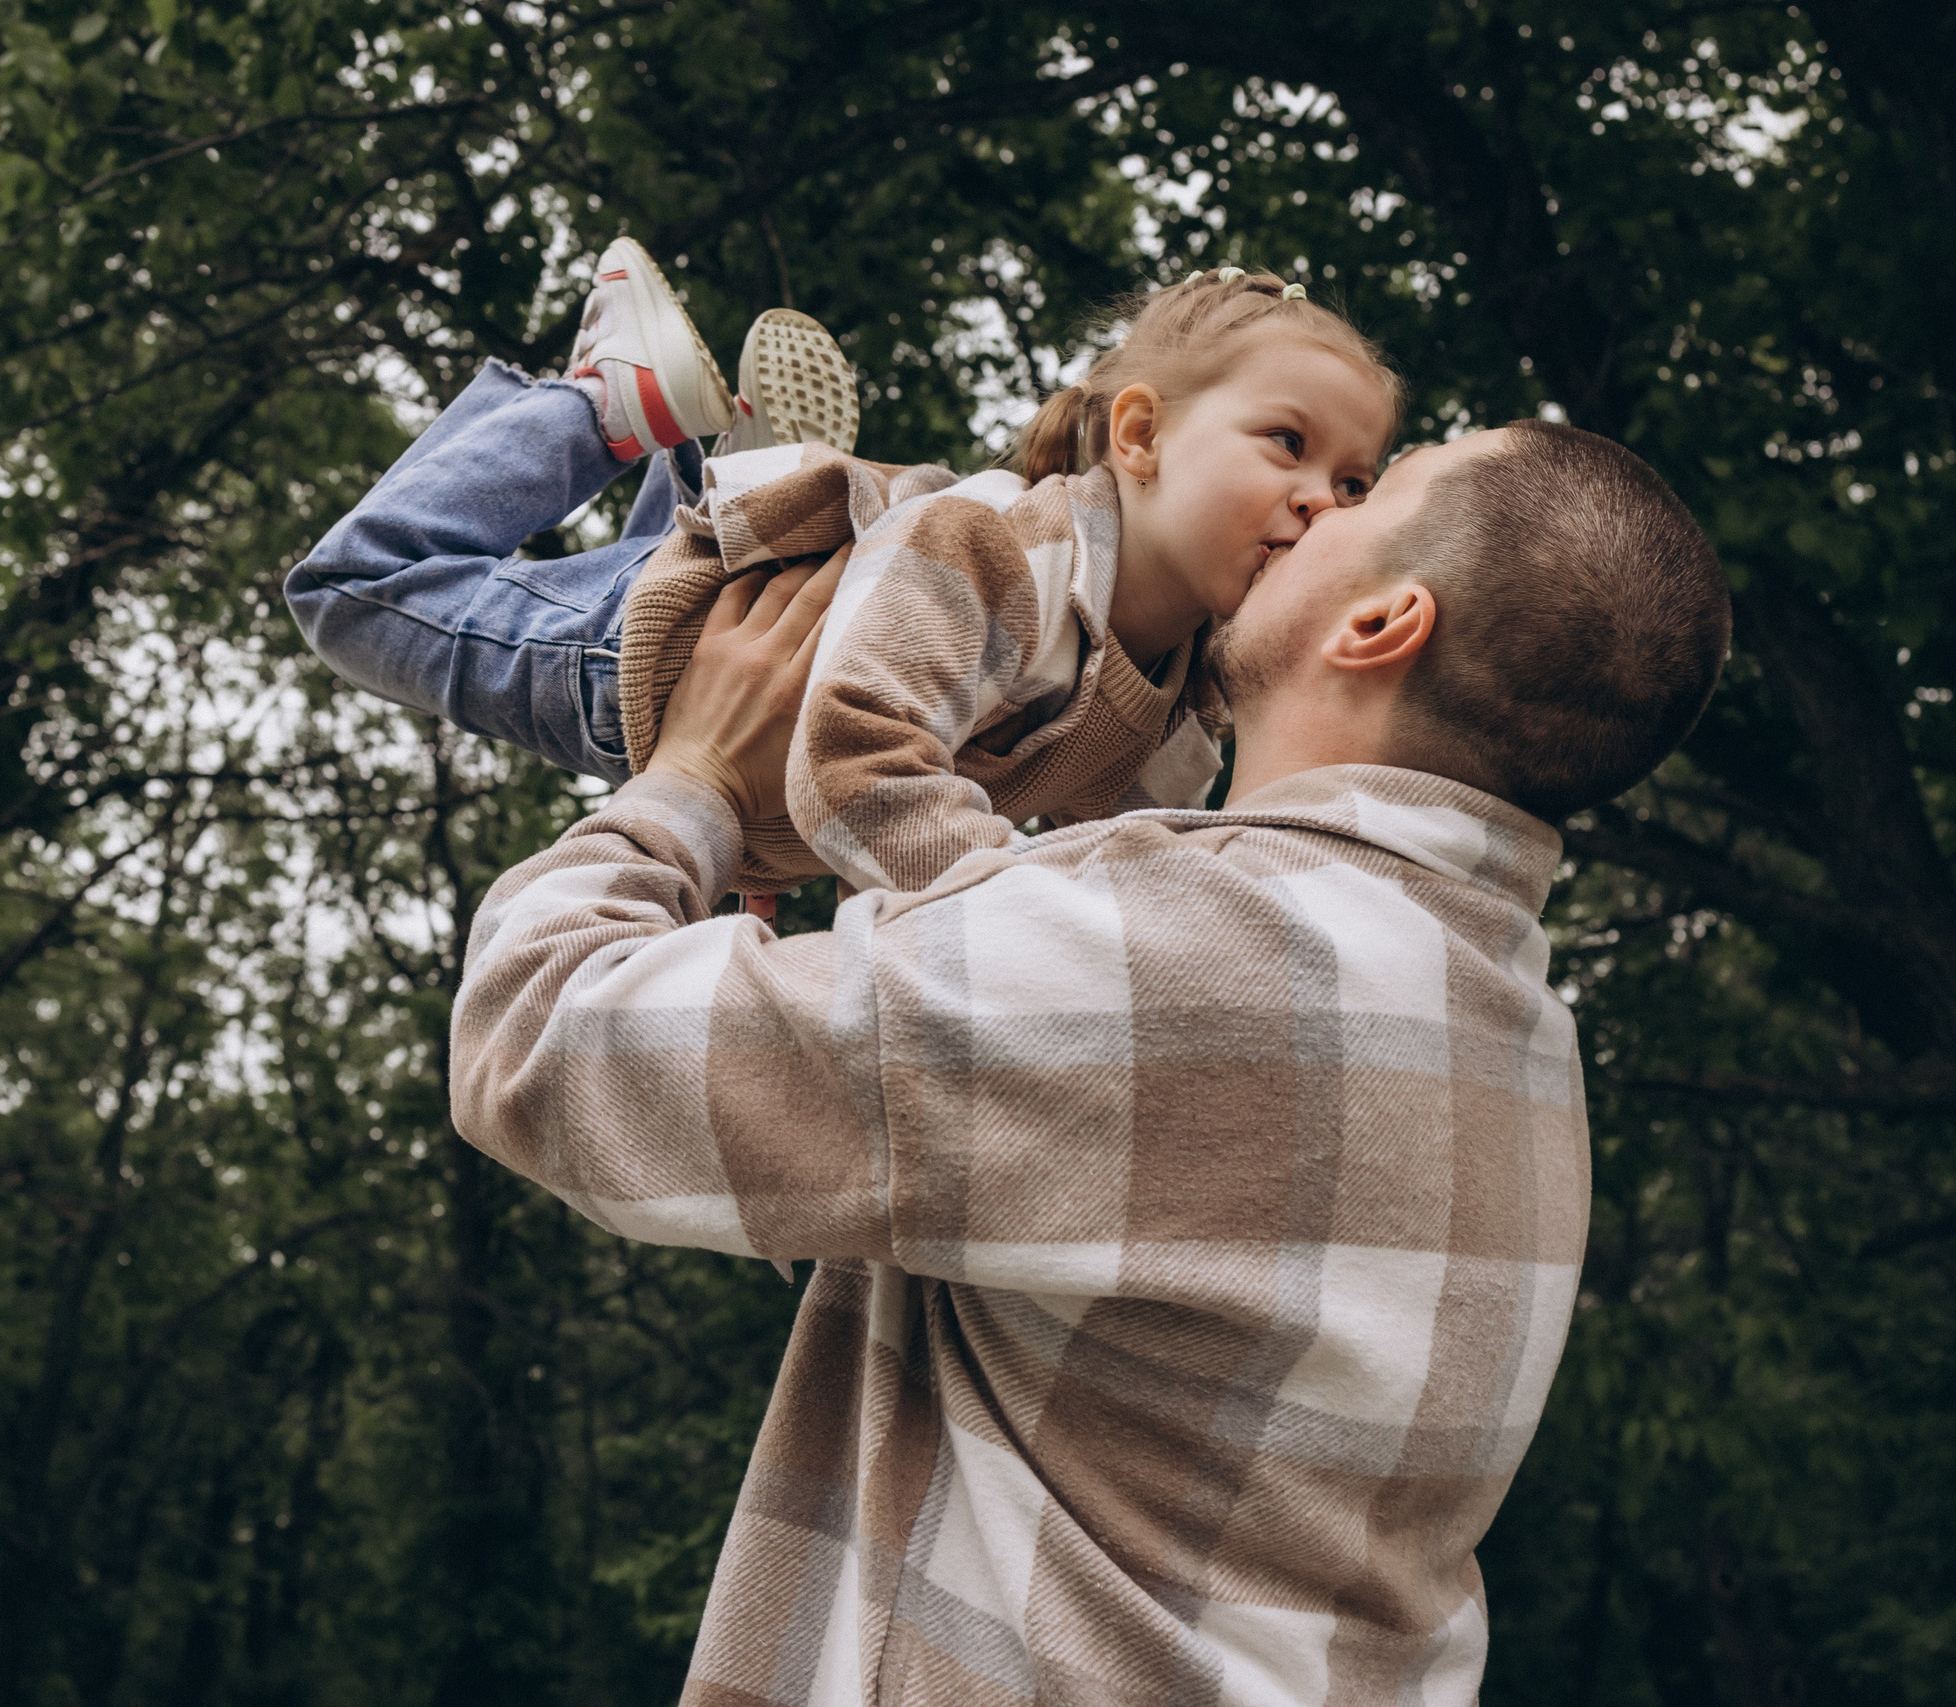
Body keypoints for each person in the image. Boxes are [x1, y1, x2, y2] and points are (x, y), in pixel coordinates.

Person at [444, 418, 1731, 1704]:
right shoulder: (1522, 1045)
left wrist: (695, 782)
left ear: (1383, 623)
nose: (1305, 512)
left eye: (1364, 494)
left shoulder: (1183, 954)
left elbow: (538, 1035)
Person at [284, 242, 1400, 898]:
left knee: (729, 547)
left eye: (1358, 485)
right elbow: (857, 756)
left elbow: (1111, 882)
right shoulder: (1007, 557)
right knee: (356, 590)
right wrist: (1005, 922)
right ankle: (607, 407)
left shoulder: (1189, 711)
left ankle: (736, 475)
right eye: (1288, 444)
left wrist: (748, 861)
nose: (1324, 501)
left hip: (756, 755)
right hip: (644, 658)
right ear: (1141, 437)